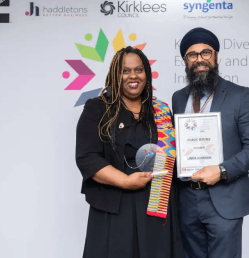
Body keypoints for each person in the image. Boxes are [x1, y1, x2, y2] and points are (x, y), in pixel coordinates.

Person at [76, 46, 184, 258]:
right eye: (125, 71)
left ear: (147, 74)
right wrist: (125, 181)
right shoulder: (98, 108)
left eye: (139, 70)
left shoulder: (160, 110)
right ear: (115, 74)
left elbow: (174, 157)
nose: (133, 76)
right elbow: (87, 157)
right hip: (114, 207)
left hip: (156, 206)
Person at [172, 27, 249, 258]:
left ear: (216, 56)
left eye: (206, 52)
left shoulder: (240, 95)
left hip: (225, 198)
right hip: (186, 200)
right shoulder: (178, 98)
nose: (199, 59)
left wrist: (221, 170)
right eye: (192, 55)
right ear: (185, 60)